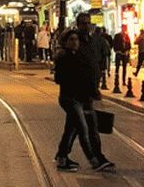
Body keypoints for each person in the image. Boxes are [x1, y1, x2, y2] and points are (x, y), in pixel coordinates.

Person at [53, 29, 115, 172]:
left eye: (76, 39)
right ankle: (94, 160)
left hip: (79, 98)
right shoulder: (64, 58)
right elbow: (60, 79)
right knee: (83, 129)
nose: (75, 42)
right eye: (71, 40)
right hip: (70, 99)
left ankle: (62, 158)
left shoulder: (77, 55)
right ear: (65, 42)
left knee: (71, 129)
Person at [111, 24, 131, 90]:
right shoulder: (117, 35)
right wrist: (116, 51)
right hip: (119, 52)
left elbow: (129, 44)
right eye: (123, 28)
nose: (124, 29)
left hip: (124, 53)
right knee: (117, 67)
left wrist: (127, 51)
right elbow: (114, 44)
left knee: (124, 67)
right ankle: (116, 80)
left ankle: (124, 81)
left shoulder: (127, 36)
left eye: (125, 28)